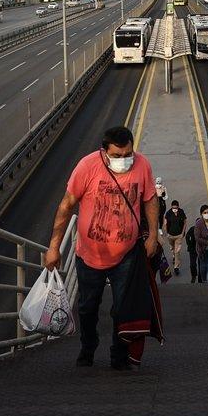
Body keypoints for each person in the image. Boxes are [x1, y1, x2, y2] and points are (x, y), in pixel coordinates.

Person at [45, 125, 160, 370]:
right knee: (87, 307)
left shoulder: (143, 166)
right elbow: (66, 207)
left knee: (122, 309)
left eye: (128, 154)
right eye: (117, 156)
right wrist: (54, 248)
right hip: (89, 255)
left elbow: (149, 198)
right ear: (104, 151)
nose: (123, 160)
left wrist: (152, 237)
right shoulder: (87, 167)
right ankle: (88, 346)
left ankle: (118, 355)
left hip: (126, 254)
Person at [162, 198, 187, 275]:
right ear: (171, 207)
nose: (175, 209)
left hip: (179, 236)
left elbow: (185, 222)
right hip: (170, 235)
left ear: (178, 207)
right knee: (172, 248)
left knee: (177, 251)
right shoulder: (168, 213)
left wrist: (182, 233)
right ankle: (173, 255)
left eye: (176, 208)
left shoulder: (181, 212)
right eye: (173, 208)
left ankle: (176, 267)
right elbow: (165, 223)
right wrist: (166, 233)